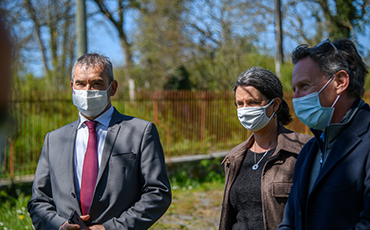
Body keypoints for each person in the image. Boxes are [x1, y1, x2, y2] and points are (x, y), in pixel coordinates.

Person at [27, 53, 172, 230]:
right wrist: (59, 226)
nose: (87, 90)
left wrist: (111, 228)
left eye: (96, 83)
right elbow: (38, 200)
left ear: (112, 88)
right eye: (80, 83)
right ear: (72, 87)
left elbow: (158, 193)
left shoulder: (140, 132)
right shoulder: (54, 139)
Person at [278, 38, 370, 230]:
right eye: (295, 89)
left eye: (304, 86)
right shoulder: (308, 151)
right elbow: (289, 221)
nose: (295, 98)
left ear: (340, 82)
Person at [219, 67, 312, 230]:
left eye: (252, 102)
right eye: (240, 104)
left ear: (275, 104)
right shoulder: (234, 158)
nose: (245, 109)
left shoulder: (302, 150)